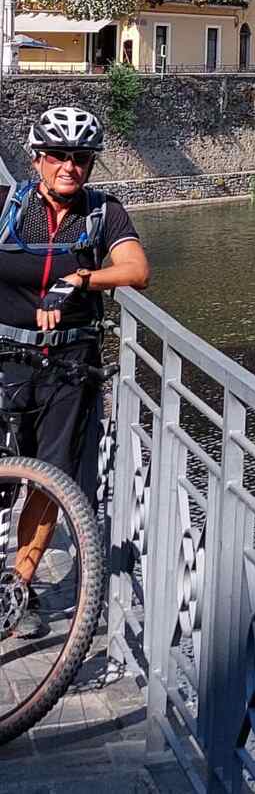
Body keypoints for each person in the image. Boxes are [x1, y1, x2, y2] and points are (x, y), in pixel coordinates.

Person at [0, 106, 150, 638]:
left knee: (50, 475)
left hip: (68, 364)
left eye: (81, 158)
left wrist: (82, 279)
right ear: (37, 158)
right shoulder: (8, 208)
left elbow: (136, 270)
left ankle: (19, 588)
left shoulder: (102, 212)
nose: (70, 166)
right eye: (59, 155)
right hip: (5, 357)